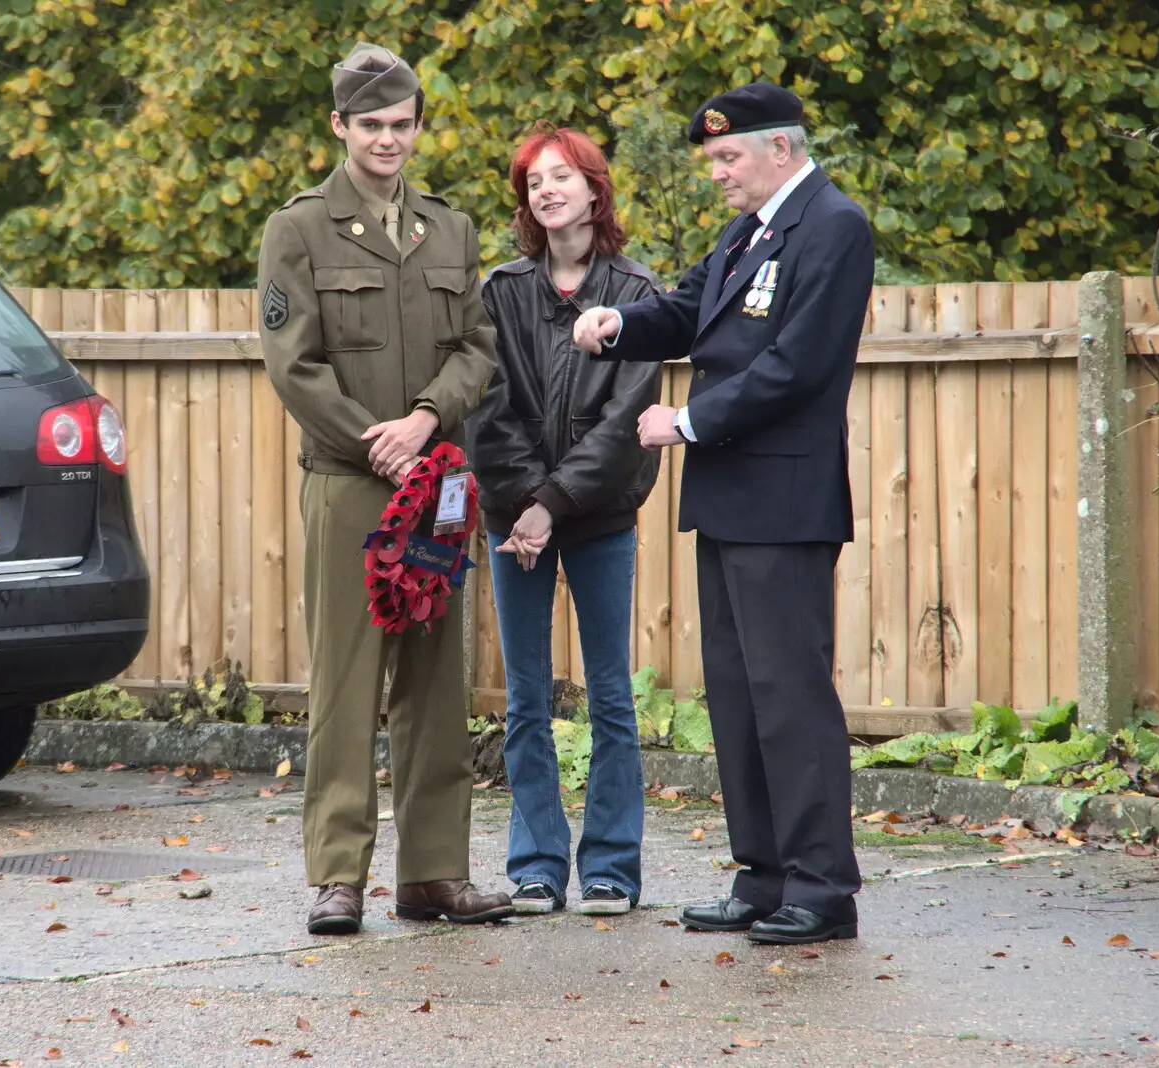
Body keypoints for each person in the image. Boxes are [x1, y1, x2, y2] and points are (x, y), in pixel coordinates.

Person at [573, 82, 875, 945]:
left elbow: (799, 364)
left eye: (727, 157)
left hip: (783, 499)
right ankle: (765, 873)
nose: (717, 173)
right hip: (731, 500)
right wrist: (615, 325)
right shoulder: (751, 232)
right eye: (712, 160)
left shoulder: (833, 226)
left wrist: (688, 421)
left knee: (790, 695)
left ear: (782, 149)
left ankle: (822, 888)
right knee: (739, 696)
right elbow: (686, 311)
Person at [255, 42, 511, 936]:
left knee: (438, 681)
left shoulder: (450, 229)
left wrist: (428, 421)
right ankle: (337, 876)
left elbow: (476, 346)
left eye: (402, 124)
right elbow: (294, 366)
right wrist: (380, 443)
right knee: (347, 682)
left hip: (437, 483)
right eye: (372, 125)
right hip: (350, 485)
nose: (389, 140)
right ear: (340, 126)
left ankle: (435, 874)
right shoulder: (299, 229)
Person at [467, 126, 662, 916]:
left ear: (594, 190)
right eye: (532, 182)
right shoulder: (501, 292)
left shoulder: (640, 294)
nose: (545, 191)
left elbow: (625, 423)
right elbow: (488, 412)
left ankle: (612, 867)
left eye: (560, 177)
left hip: (599, 518)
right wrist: (527, 505)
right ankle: (537, 865)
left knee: (611, 696)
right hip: (513, 522)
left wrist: (553, 504)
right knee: (524, 699)